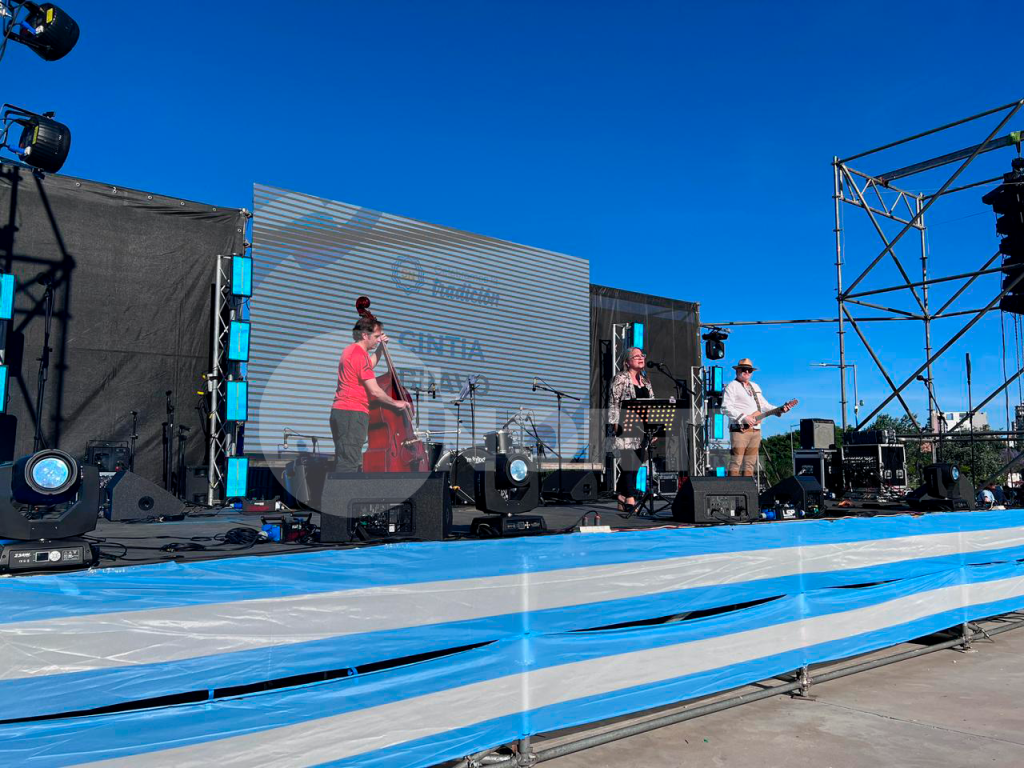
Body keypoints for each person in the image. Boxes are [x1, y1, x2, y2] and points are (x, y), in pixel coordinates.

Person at [330, 315, 410, 472]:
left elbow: (369, 364)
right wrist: (396, 403)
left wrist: (381, 349)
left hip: (342, 412)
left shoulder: (351, 351)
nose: (378, 340)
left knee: (346, 459)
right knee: (349, 464)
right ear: (365, 335)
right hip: (352, 412)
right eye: (376, 336)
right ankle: (344, 490)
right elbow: (375, 391)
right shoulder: (359, 355)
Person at [721, 358, 791, 477]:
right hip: (740, 429)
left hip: (756, 430)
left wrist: (780, 409)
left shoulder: (755, 386)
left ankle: (746, 487)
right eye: (744, 369)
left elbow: (764, 405)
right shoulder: (732, 386)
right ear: (737, 370)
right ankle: (733, 487)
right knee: (736, 461)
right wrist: (744, 417)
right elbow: (725, 407)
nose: (747, 372)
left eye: (749, 370)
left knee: (750, 463)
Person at [607, 347, 655, 511]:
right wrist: (615, 424)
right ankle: (630, 498)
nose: (641, 358)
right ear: (627, 362)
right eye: (636, 356)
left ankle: (622, 495)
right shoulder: (621, 378)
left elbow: (652, 406)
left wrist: (653, 428)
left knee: (636, 464)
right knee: (629, 463)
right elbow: (613, 402)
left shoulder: (646, 381)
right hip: (625, 426)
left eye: (642, 355)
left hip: (642, 430)